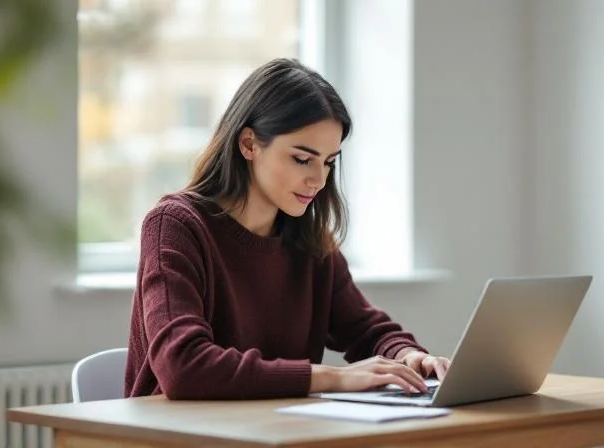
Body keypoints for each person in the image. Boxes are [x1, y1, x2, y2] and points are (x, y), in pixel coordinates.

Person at [124, 58, 449, 400]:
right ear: (248, 144)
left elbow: (366, 329)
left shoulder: (308, 240)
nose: (319, 180)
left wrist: (409, 356)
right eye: (302, 159)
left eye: (328, 162)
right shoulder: (175, 226)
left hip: (275, 431)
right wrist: (331, 378)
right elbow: (182, 367)